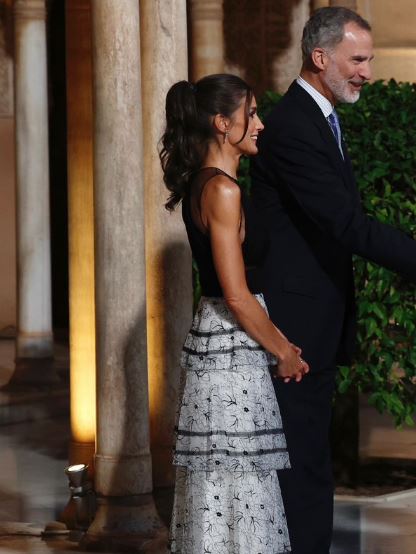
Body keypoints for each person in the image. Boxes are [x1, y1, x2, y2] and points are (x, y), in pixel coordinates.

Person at [249, 7, 416, 551]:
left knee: (310, 462)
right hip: (293, 330)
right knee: (301, 469)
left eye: (370, 59)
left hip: (316, 322)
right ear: (320, 58)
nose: (367, 71)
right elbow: (346, 225)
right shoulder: (294, 126)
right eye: (358, 59)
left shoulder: (319, 118)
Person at [160, 74, 308, 553]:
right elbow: (238, 295)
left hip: (224, 344)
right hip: (231, 350)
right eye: (253, 114)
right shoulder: (221, 191)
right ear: (223, 124)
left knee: (228, 483)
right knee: (236, 482)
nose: (261, 124)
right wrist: (283, 349)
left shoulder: (207, 185)